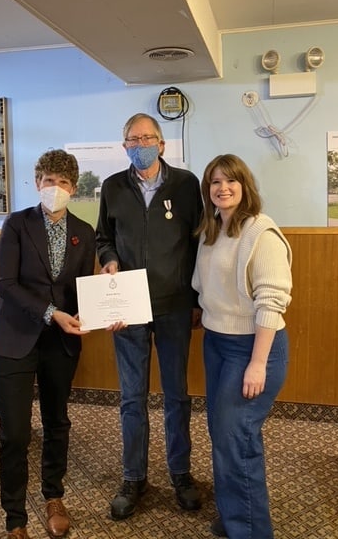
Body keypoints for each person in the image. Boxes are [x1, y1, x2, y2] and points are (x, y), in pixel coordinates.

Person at [96, 112, 203, 520]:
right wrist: (107, 261)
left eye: (148, 138)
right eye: (133, 139)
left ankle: (181, 473)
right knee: (131, 397)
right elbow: (104, 237)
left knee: (176, 395)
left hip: (175, 305)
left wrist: (196, 300)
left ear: (162, 144)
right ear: (124, 145)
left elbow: (198, 243)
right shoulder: (112, 187)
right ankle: (133, 477)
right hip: (128, 306)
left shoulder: (186, 184)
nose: (140, 145)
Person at [0, 149, 96, 539]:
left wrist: (106, 313)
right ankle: (15, 517)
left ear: (74, 188)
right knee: (14, 432)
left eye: (64, 183)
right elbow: (5, 283)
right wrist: (51, 312)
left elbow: (84, 290)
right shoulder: (16, 224)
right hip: (14, 338)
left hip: (60, 345)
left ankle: (53, 496)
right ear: (37, 183)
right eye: (49, 181)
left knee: (57, 423)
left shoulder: (85, 231)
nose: (56, 188)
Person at [192, 154, 292, 539]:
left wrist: (257, 363)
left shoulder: (260, 232)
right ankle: (236, 513)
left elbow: (271, 301)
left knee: (238, 439)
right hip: (216, 342)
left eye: (230, 181)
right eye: (215, 182)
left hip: (253, 348)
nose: (223, 188)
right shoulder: (212, 229)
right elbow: (206, 288)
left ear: (244, 185)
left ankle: (250, 529)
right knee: (223, 434)